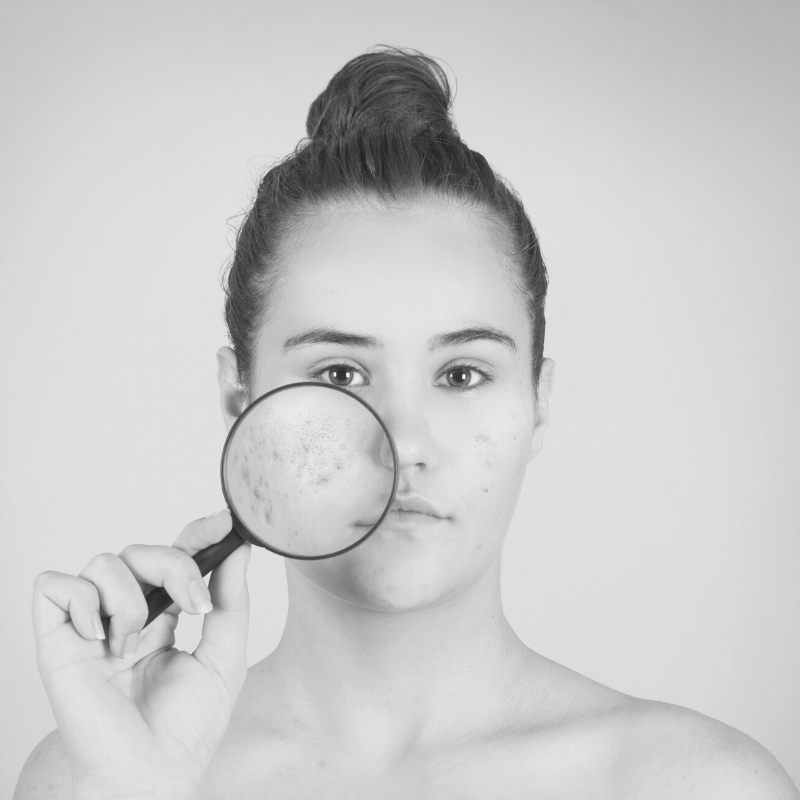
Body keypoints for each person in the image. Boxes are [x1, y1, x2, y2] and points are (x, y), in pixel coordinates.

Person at [15, 47, 799, 800]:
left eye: (461, 375)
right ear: (239, 397)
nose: (405, 444)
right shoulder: (86, 772)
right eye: (339, 375)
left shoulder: (700, 787)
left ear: (539, 402)